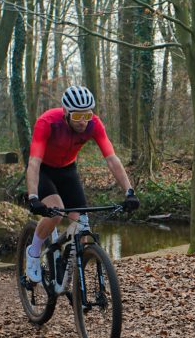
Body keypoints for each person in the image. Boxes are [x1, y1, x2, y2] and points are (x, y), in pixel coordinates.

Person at [24, 85, 139, 282]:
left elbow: (112, 159)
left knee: (82, 227)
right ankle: (33, 252)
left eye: (87, 115)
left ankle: (68, 268)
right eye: (77, 116)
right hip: (44, 170)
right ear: (66, 112)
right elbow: (34, 162)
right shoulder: (48, 122)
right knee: (56, 211)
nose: (83, 121)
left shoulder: (94, 124)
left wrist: (129, 191)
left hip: (67, 170)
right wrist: (33, 197)